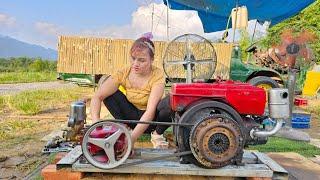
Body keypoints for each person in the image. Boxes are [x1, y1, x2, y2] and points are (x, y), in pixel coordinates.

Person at [90, 36, 172, 149]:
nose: (135, 64)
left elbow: (150, 111)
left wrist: (131, 139)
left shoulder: (158, 75)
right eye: (133, 58)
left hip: (152, 121)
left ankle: (157, 135)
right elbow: (97, 96)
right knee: (108, 94)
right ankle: (125, 127)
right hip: (131, 116)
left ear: (152, 60)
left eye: (142, 60)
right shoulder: (124, 72)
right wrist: (96, 125)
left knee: (170, 102)